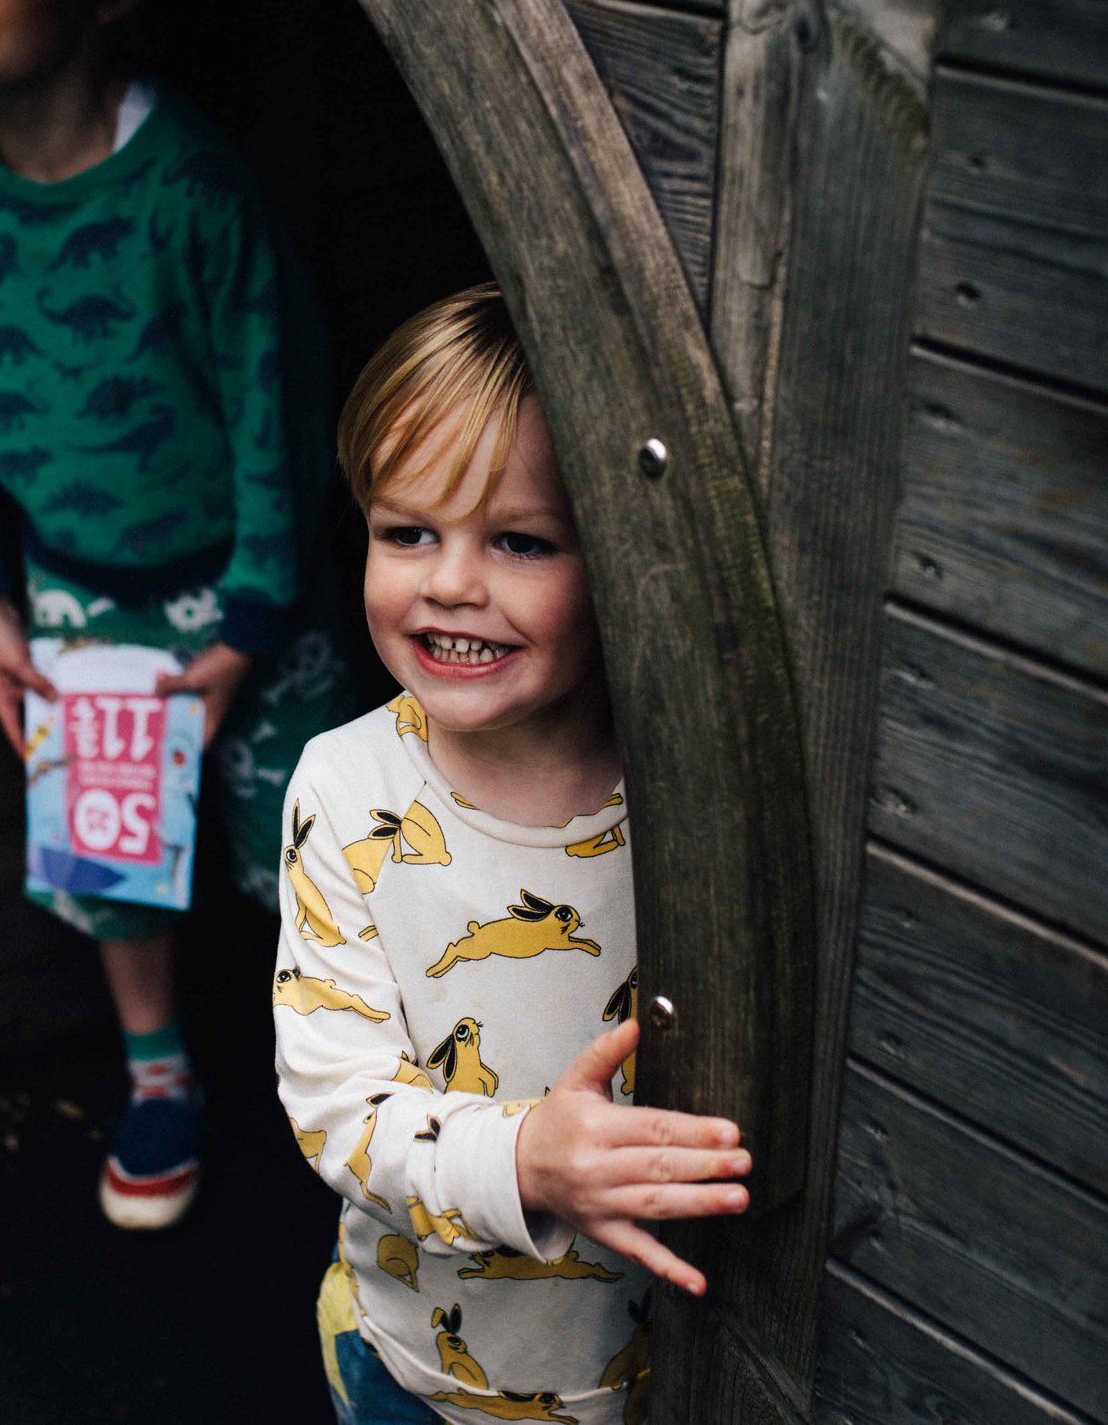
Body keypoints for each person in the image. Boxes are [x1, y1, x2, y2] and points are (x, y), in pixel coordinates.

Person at [0, 0, 350, 1232]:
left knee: (306, 850)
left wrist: (256, 622)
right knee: (111, 846)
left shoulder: (196, 192)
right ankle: (159, 1076)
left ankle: (347, 1093)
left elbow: (279, 408)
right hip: (75, 589)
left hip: (251, 585)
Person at [274, 287, 751, 1425]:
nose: (448, 582)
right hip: (421, 1378)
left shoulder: (691, 798)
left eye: (520, 540)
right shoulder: (344, 791)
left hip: (662, 1375)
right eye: (407, 531)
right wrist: (530, 1157)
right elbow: (336, 1106)